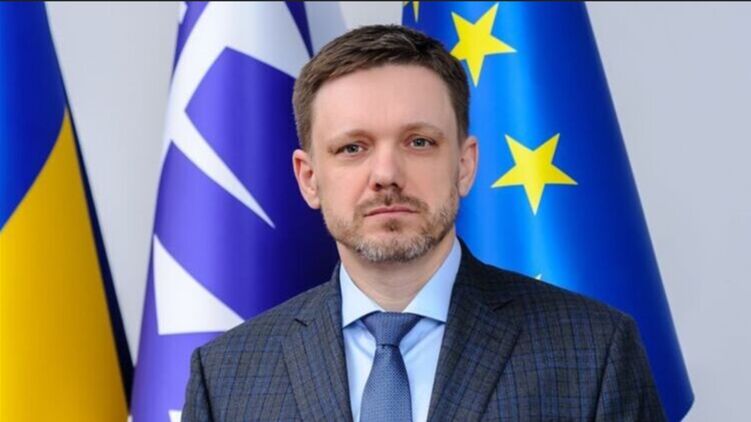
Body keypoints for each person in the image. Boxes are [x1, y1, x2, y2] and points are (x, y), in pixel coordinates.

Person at [182, 25, 666, 422]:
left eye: (418, 142)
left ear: (465, 165)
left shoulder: (594, 352)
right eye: (352, 148)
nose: (386, 175)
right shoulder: (225, 377)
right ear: (309, 178)